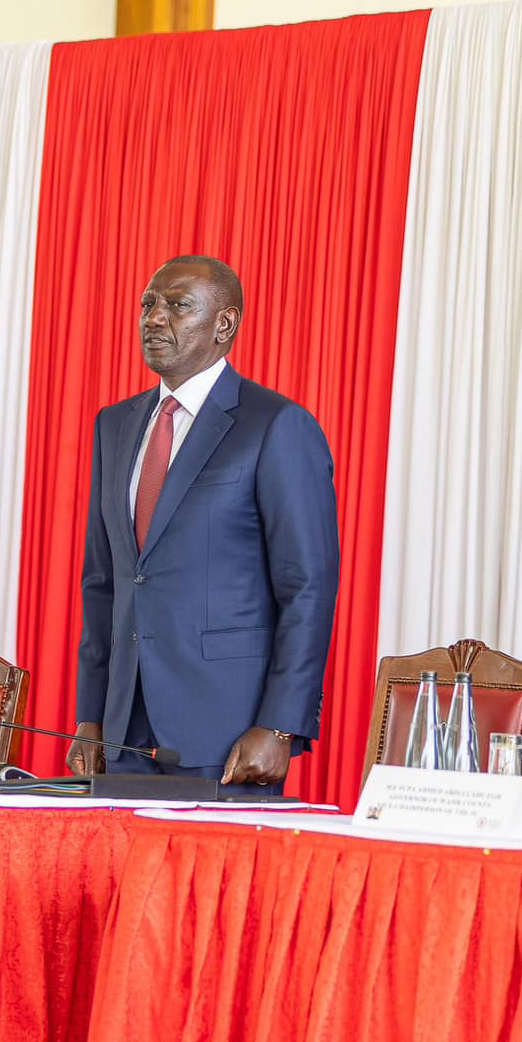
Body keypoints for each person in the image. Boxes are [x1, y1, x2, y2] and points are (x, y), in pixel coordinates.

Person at [67, 256, 339, 794]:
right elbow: (105, 582)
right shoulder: (115, 424)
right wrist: (91, 714)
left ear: (225, 324)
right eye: (148, 303)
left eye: (177, 305)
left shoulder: (277, 425)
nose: (154, 318)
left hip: (228, 732)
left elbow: (307, 587)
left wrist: (280, 725)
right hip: (124, 729)